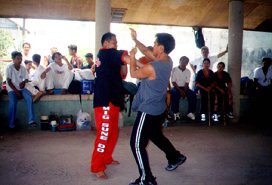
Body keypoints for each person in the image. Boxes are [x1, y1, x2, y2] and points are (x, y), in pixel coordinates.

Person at [128, 28, 186, 185]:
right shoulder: (168, 61)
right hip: (158, 109)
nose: (152, 46)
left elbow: (133, 73)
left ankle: (146, 179)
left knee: (136, 144)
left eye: (155, 44)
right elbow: (146, 51)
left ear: (161, 48)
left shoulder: (153, 67)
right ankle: (175, 156)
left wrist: (132, 57)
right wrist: (135, 39)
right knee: (155, 135)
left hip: (148, 110)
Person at [91, 32, 130, 179]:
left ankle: (107, 157)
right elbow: (125, 58)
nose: (116, 43)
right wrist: (130, 58)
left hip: (113, 100)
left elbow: (123, 72)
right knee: (104, 134)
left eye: (116, 41)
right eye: (114, 41)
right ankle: (97, 166)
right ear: (105, 44)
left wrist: (123, 62)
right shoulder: (106, 54)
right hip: (104, 101)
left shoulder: (109, 59)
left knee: (113, 132)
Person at [6, 51, 38, 130]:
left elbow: (27, 78)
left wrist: (24, 82)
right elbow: (9, 82)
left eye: (20, 58)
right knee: (13, 103)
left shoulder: (23, 67)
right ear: (13, 59)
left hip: (21, 88)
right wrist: (17, 92)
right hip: (12, 89)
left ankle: (31, 120)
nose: (19, 60)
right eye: (17, 59)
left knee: (29, 98)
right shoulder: (9, 67)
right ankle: (11, 124)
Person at [171, 56, 197, 121]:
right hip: (176, 87)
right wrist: (181, 91)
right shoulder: (174, 69)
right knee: (175, 94)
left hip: (184, 87)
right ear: (179, 62)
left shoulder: (188, 71)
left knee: (193, 94)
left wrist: (184, 92)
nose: (183, 63)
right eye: (182, 61)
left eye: (185, 62)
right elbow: (173, 82)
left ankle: (190, 112)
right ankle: (176, 112)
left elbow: (187, 83)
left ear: (187, 63)